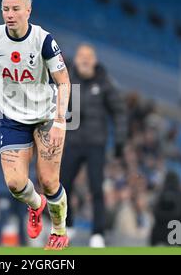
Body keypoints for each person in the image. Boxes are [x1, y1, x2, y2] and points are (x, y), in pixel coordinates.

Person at [0, 0, 71, 250]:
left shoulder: (43, 40)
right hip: (13, 119)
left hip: (45, 116)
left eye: (14, 9)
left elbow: (64, 81)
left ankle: (59, 231)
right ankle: (36, 205)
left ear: (28, 12)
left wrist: (60, 121)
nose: (9, 15)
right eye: (5, 9)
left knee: (48, 181)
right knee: (14, 184)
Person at [61, 43, 127, 247]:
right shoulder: (67, 80)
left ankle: (97, 233)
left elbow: (119, 112)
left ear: (95, 61)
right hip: (72, 141)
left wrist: (119, 141)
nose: (85, 60)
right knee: (62, 185)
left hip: (95, 143)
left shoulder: (105, 83)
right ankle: (65, 226)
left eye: (89, 57)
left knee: (96, 187)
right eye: (81, 56)